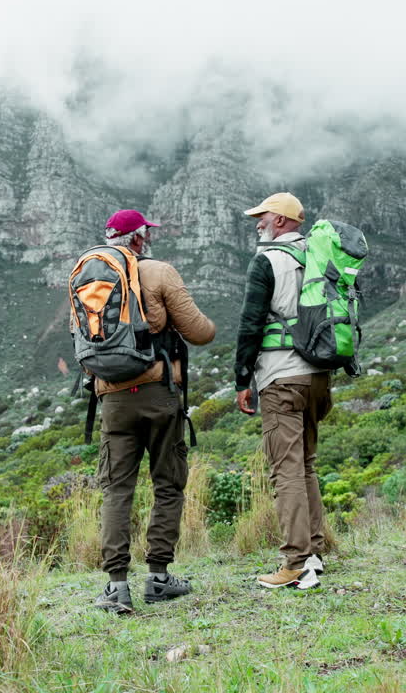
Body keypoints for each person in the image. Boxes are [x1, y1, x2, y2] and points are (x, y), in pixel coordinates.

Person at [91, 209, 216, 614]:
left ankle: (116, 587)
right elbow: (200, 332)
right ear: (140, 239)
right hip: (159, 393)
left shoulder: (91, 277)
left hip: (112, 399)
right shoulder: (160, 272)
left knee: (117, 489)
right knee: (168, 483)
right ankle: (159, 578)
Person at [234, 192, 329, 590]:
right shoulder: (321, 257)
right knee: (305, 464)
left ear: (283, 220)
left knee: (285, 470)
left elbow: (251, 323)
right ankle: (317, 553)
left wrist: (242, 379)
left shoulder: (268, 259)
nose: (258, 223)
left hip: (281, 377)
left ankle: (295, 562)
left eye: (264, 216)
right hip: (319, 376)